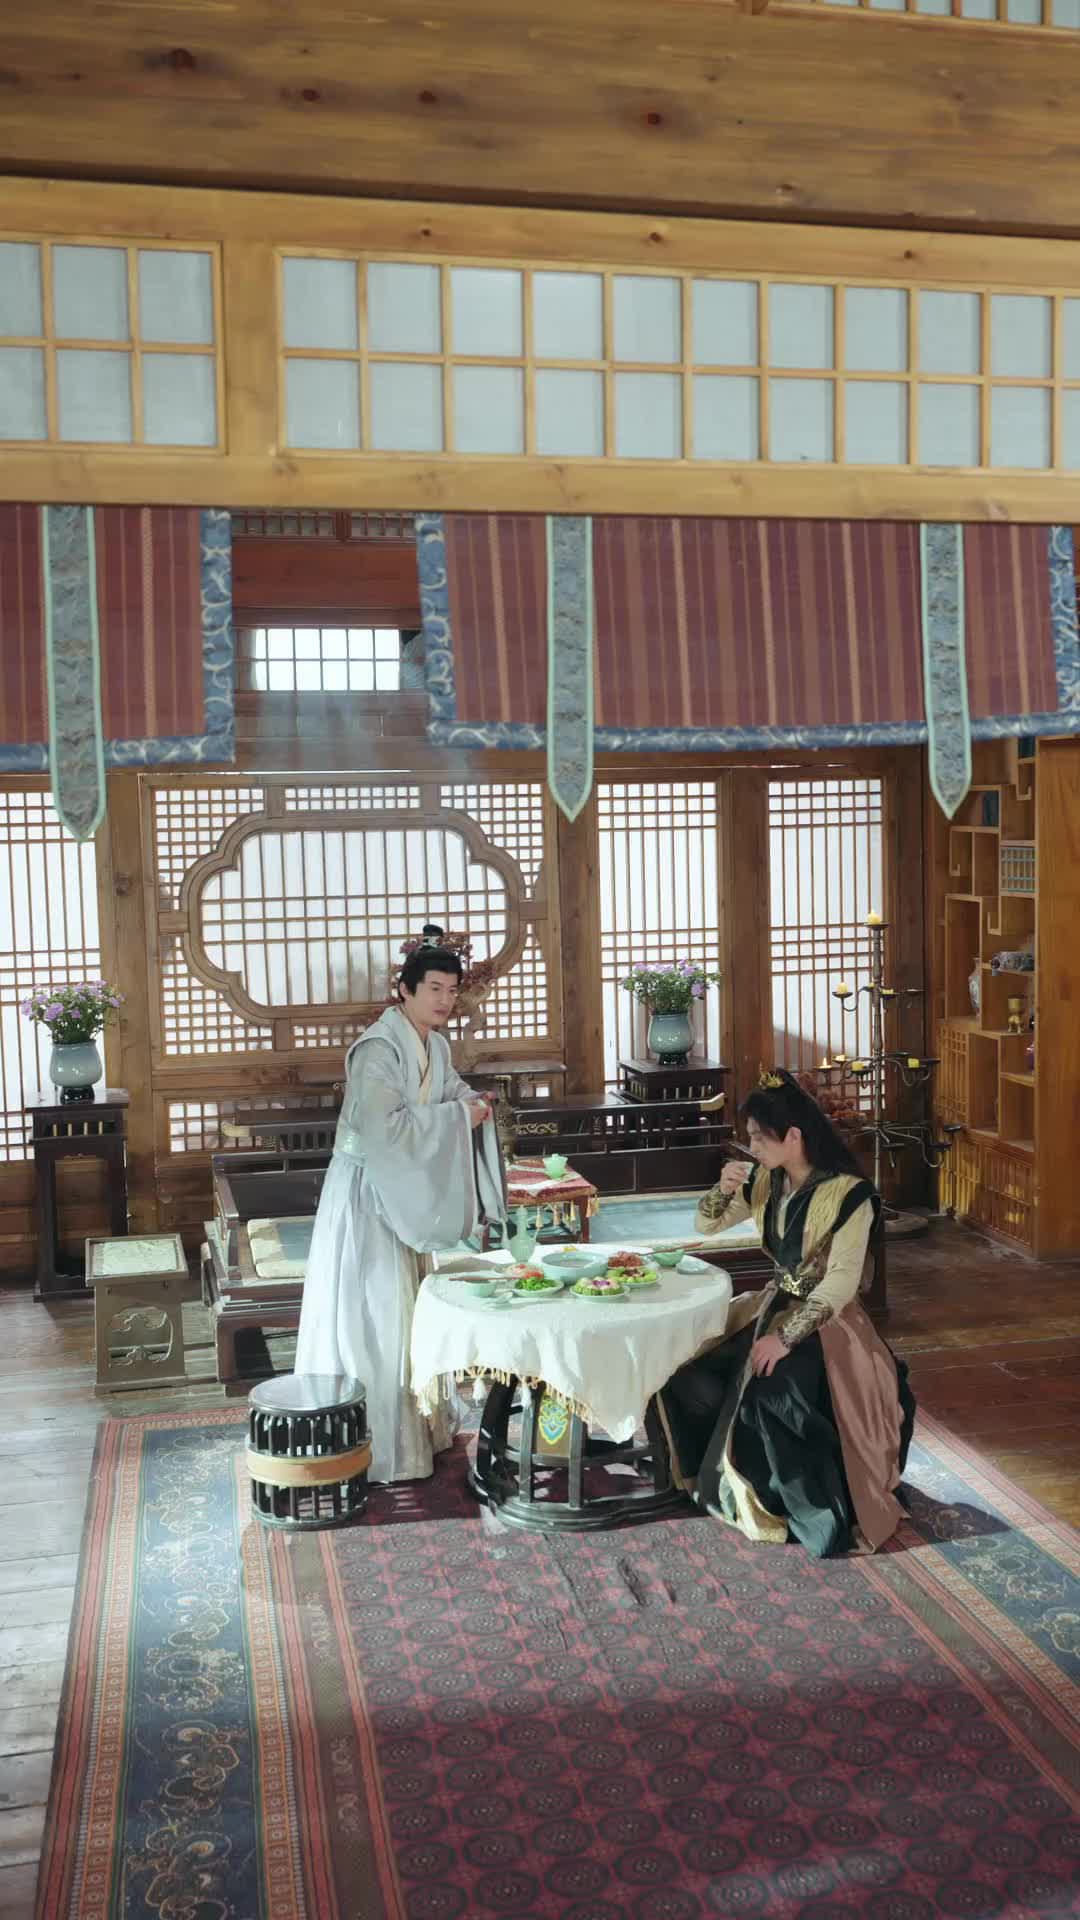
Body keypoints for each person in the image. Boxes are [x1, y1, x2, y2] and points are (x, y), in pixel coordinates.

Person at [657, 1069, 915, 1557]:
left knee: (772, 1393)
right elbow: (707, 1225)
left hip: (830, 1323)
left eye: (759, 1136)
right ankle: (713, 1477)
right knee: (685, 1367)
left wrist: (785, 1339)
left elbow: (841, 1282)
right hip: (771, 1305)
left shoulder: (850, 1194)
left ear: (793, 1136)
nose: (751, 1146)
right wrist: (722, 1189)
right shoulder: (765, 1181)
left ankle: (799, 1508)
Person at [295, 942, 506, 1483]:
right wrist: (458, 1118)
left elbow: (450, 1092)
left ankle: (417, 1430)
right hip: (366, 1189)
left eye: (452, 990)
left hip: (404, 1190)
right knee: (373, 1307)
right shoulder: (377, 1049)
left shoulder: (435, 1046)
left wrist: (472, 1103)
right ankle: (370, 1440)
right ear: (405, 991)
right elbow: (384, 1128)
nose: (445, 1000)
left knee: (407, 1307)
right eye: (434, 988)